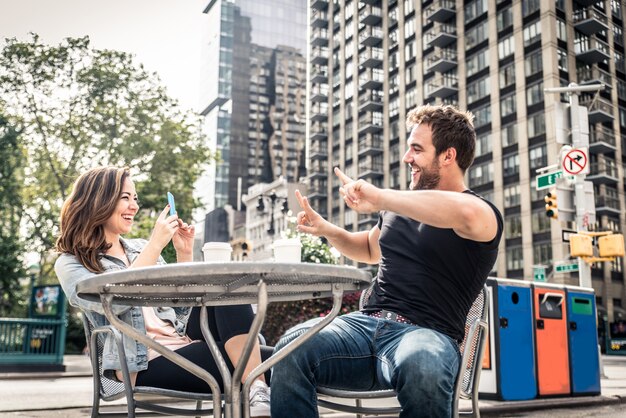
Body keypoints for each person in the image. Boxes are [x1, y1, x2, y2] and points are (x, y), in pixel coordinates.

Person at [270, 104, 503, 418]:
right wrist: (327, 230)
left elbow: (461, 211)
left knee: (424, 365)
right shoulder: (400, 207)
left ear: (448, 156)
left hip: (426, 335)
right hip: (364, 329)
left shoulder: (480, 213)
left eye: (416, 149)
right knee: (289, 348)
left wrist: (378, 196)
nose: (407, 158)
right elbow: (367, 248)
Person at [54, 166, 271, 417]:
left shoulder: (139, 249)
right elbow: (115, 305)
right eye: (125, 197)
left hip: (185, 343)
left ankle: (257, 389)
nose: (134, 206)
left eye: (135, 198)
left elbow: (182, 306)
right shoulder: (71, 262)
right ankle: (258, 388)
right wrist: (156, 245)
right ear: (98, 200)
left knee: (229, 290)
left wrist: (184, 253)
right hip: (144, 362)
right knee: (274, 365)